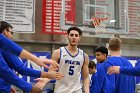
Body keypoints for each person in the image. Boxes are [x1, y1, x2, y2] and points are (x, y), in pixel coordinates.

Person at [0, 21, 64, 93]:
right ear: (5, 31)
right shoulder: (5, 49)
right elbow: (17, 69)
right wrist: (30, 87)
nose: (12, 36)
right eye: (11, 33)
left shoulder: (5, 47)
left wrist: (9, 85)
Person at [36, 26, 90, 93]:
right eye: (71, 35)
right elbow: (51, 72)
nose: (74, 37)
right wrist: (44, 80)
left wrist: (87, 91)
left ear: (79, 38)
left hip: (76, 90)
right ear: (67, 37)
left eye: (76, 35)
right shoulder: (58, 52)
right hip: (60, 90)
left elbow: (86, 77)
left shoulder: (84, 56)